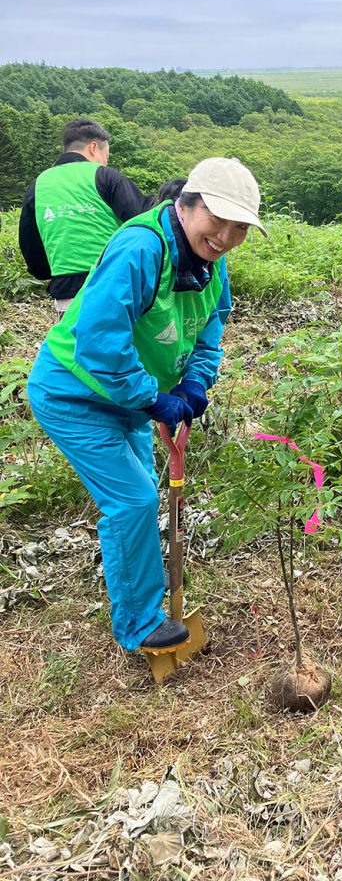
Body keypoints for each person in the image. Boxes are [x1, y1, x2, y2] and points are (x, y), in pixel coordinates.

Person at [26, 157, 267, 654]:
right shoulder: (141, 247)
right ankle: (139, 624)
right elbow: (99, 339)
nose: (224, 236)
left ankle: (145, 599)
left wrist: (194, 385)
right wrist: (152, 398)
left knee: (138, 498)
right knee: (134, 500)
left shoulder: (211, 262)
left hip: (131, 402)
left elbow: (211, 327)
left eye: (238, 228)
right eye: (216, 220)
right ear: (187, 204)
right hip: (75, 395)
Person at [18, 118, 153, 319]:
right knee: (118, 346)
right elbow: (146, 222)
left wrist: (53, 272)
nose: (106, 162)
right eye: (105, 156)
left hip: (66, 294)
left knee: (71, 348)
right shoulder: (106, 177)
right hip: (114, 285)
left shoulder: (38, 186)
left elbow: (31, 247)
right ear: (93, 148)